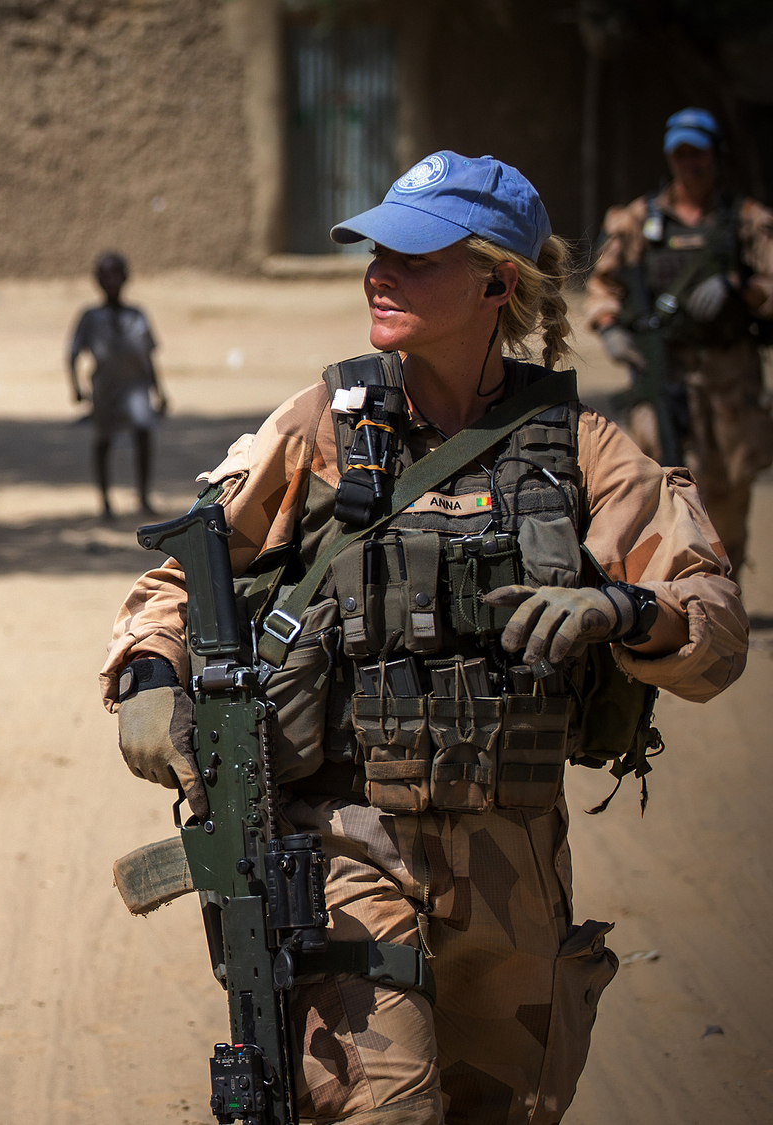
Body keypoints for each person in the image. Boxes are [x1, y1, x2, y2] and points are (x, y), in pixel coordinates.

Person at [102, 152, 746, 1122]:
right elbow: (182, 576)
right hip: (349, 844)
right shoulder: (323, 426)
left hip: (515, 868)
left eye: (412, 255)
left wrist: (620, 610)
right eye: (374, 250)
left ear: (497, 283)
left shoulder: (580, 448)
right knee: (386, 1107)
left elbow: (714, 631)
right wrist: (150, 671)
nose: (378, 272)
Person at [587, 107, 773, 571]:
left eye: (699, 153)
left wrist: (736, 286)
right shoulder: (637, 221)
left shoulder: (745, 221)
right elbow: (603, 287)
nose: (690, 164)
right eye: (681, 154)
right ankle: (680, 583)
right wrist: (610, 330)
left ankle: (723, 578)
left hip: (730, 372)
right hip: (663, 370)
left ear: (715, 156)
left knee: (731, 482)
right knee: (664, 476)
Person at [68, 251, 166, 519]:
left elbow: (148, 356)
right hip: (104, 389)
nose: (111, 280)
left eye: (116, 274)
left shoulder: (137, 315)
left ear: (126, 277)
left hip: (136, 386)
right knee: (103, 441)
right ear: (97, 279)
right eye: (105, 274)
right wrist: (76, 389)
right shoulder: (90, 317)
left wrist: (160, 392)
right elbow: (72, 354)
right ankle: (105, 501)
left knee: (143, 432)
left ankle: (143, 497)